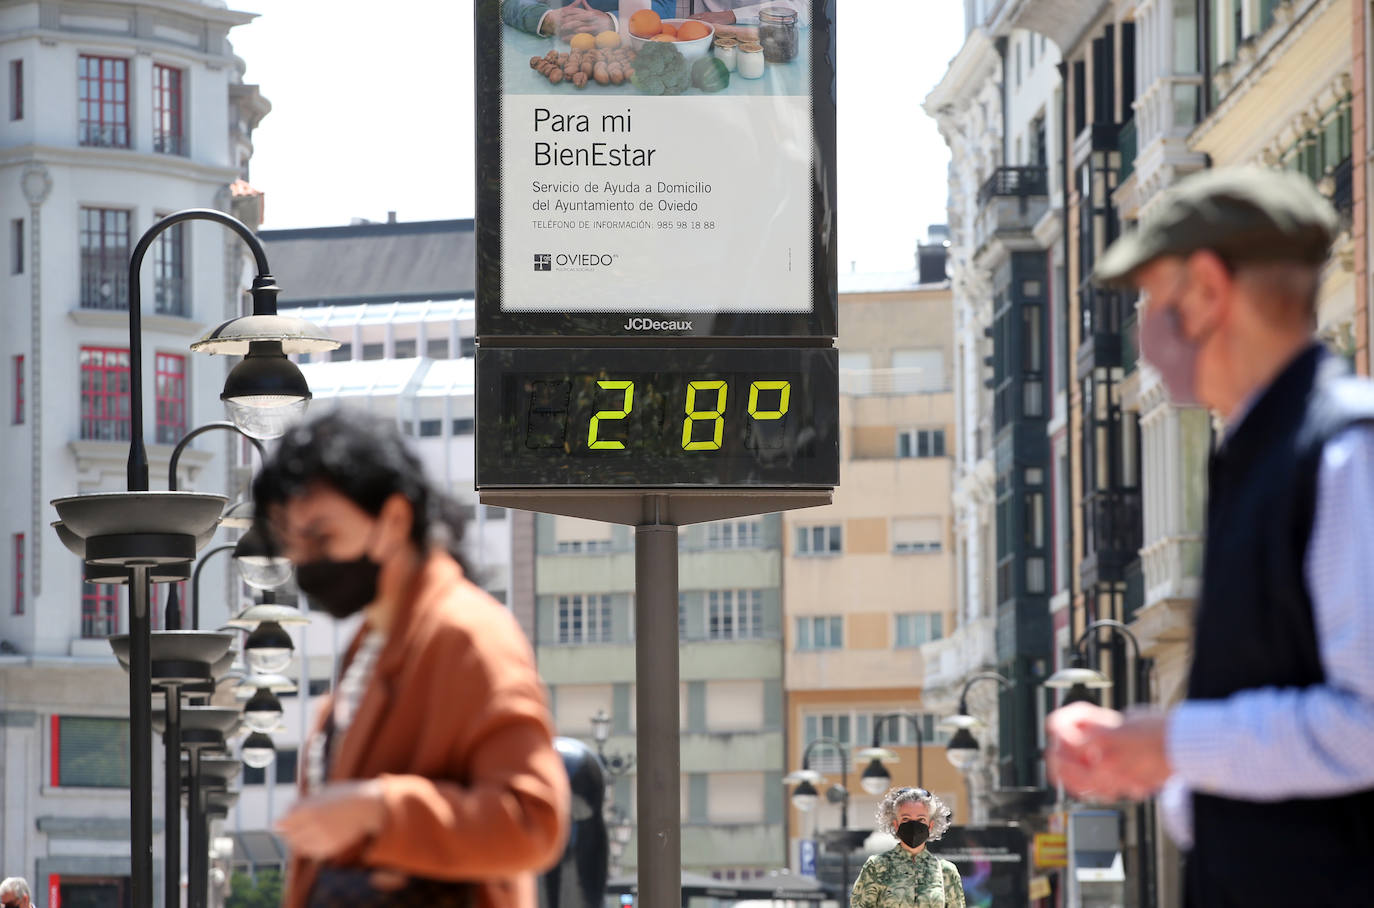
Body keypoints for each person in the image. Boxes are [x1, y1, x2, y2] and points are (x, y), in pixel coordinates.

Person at [1045, 167, 1374, 905]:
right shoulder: (1265, 453)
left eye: (1149, 300)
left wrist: (1170, 743)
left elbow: (1367, 723)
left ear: (1205, 294)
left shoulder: (1347, 452)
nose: (1142, 332)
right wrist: (1163, 758)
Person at [253, 409, 570, 908]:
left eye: (321, 537)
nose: (305, 563)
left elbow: (532, 822)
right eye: (292, 545)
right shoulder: (373, 643)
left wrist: (379, 808)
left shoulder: (466, 634)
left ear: (395, 519)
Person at [850, 787, 964, 908]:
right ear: (896, 824)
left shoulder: (946, 871)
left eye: (921, 819)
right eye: (906, 819)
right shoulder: (877, 866)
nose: (913, 825)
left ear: (930, 825)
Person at [501, 0, 618, 38]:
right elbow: (509, 4)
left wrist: (613, 21)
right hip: (550, 51)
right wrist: (546, 18)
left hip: (618, 52)